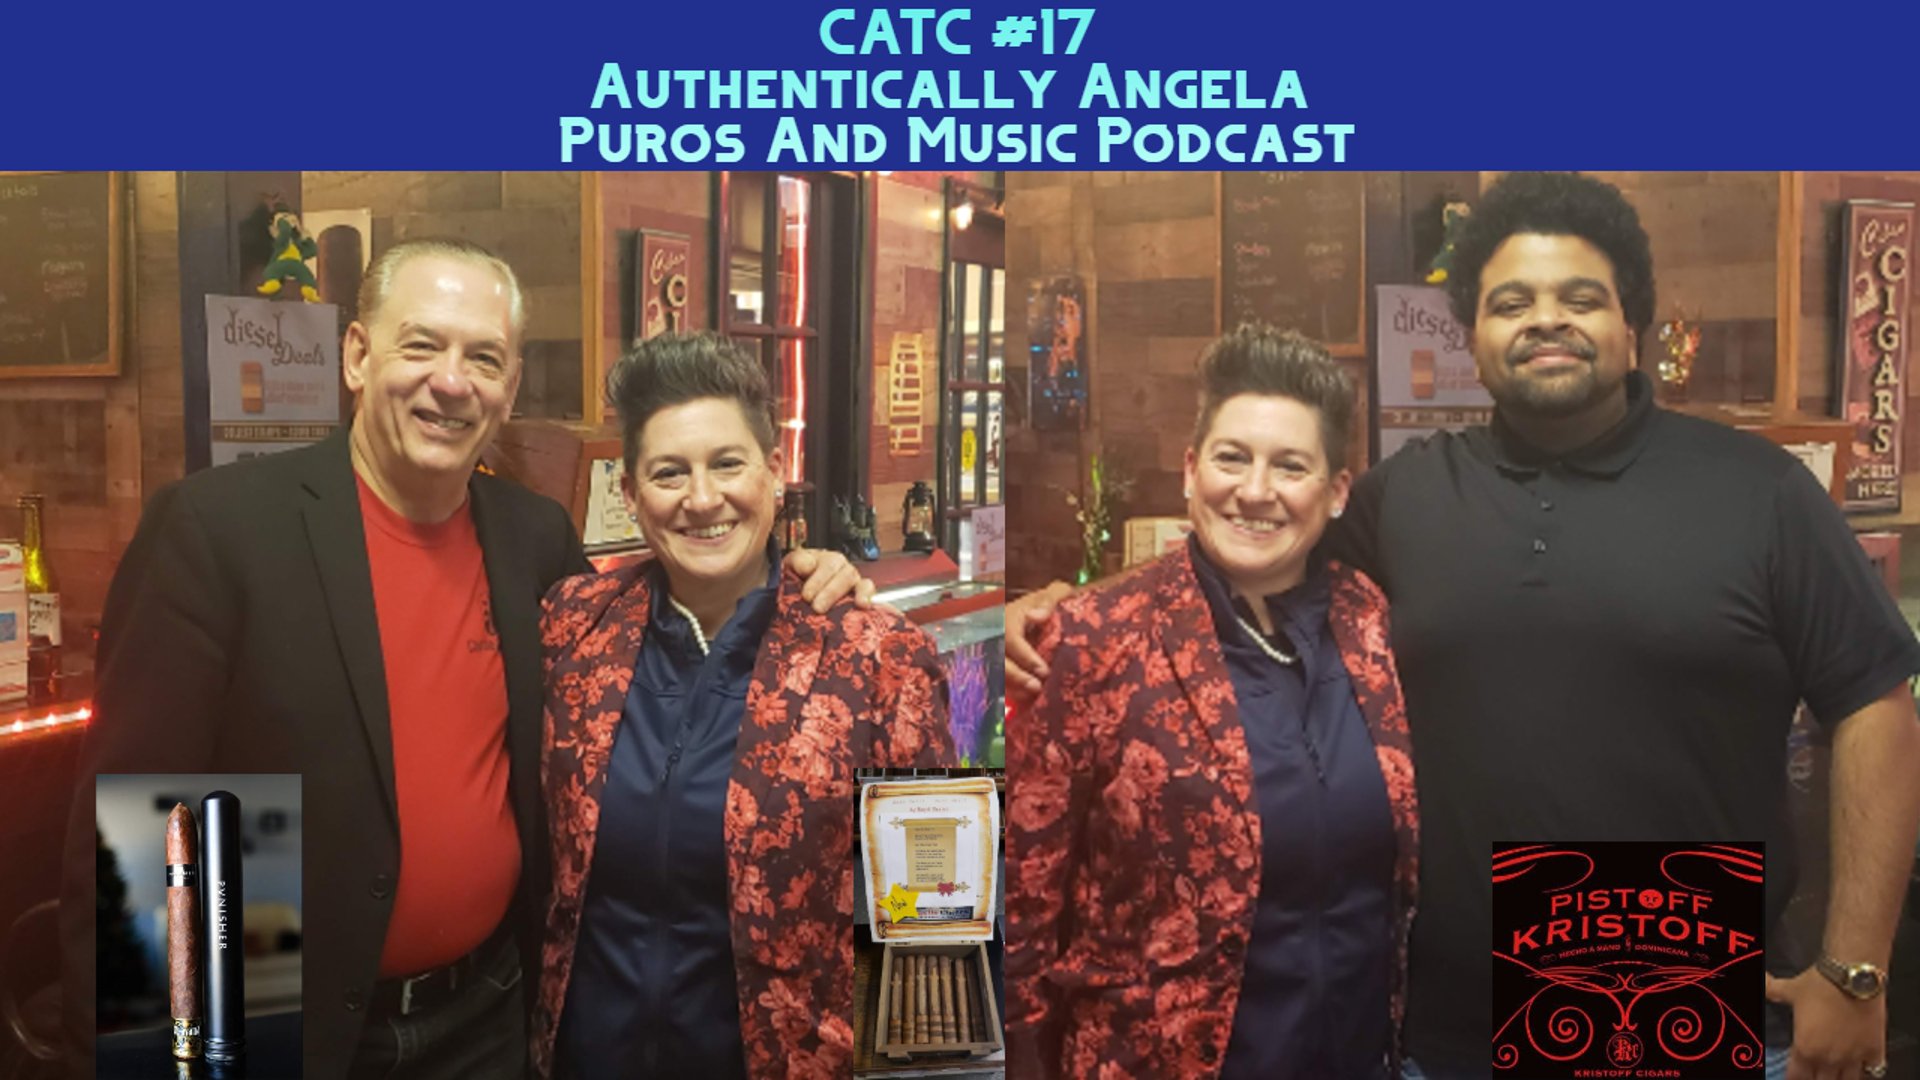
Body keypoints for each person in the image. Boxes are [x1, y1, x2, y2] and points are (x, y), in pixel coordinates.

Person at [1006, 173, 1920, 1080]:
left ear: (1629, 324)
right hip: (1449, 1030)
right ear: (1474, 339)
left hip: (1691, 1003)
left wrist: (1856, 971)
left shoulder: (1756, 493)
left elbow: (1875, 705)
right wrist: (1063, 605)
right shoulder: (1407, 498)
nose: (1546, 320)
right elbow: (1255, 537)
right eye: (1511, 302)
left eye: (1581, 299)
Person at [61, 239, 873, 1079]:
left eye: (483, 357)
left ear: (510, 387)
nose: (451, 381)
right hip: (293, 1028)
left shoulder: (533, 539)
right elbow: (142, 834)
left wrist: (800, 579)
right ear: (356, 355)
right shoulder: (222, 529)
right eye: (422, 345)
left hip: (492, 1020)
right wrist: (175, 1061)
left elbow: (660, 630)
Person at [532, 332, 956, 1080]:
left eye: (727, 463)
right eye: (669, 473)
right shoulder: (573, 627)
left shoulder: (881, 658)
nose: (702, 499)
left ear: (773, 470)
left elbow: (934, 925)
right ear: (629, 494)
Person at [1005, 325, 1418, 1079]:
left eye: (1290, 466)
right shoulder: (1092, 639)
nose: (1255, 490)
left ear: (1335, 493)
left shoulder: (1369, 619)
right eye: (1232, 457)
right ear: (1192, 471)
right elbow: (1028, 906)